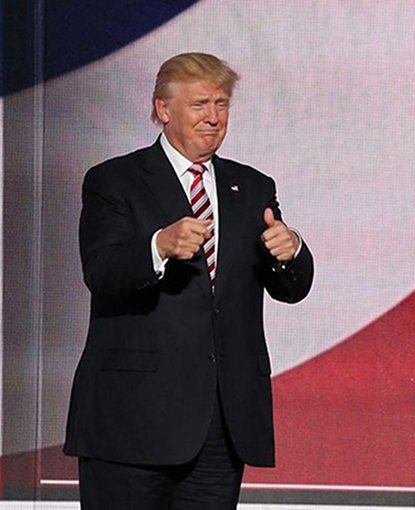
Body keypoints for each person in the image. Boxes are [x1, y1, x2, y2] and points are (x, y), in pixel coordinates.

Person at [64, 52, 314, 508]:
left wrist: (292, 250)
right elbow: (101, 271)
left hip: (221, 424)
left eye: (221, 104)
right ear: (163, 109)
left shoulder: (253, 186)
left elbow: (291, 289)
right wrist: (158, 245)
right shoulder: (115, 181)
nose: (213, 118)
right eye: (200, 105)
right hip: (131, 421)